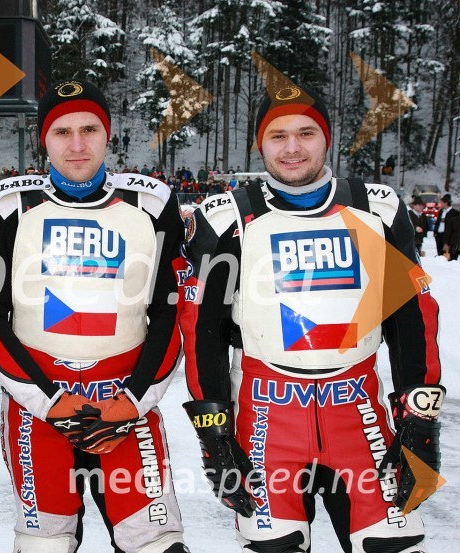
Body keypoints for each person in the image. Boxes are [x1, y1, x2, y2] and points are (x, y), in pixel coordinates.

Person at [180, 84, 443, 552]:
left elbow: (412, 319)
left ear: (327, 138)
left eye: (306, 133)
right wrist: (213, 434)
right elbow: (202, 331)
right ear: (260, 144)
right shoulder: (226, 217)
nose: (293, 148)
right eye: (278, 135)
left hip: (358, 419)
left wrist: (420, 421)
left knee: (392, 544)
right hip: (266, 421)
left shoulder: (376, 208)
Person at [0, 79, 190, 553]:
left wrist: (133, 401)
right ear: (42, 140)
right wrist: (48, 401)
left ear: (108, 135)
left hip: (125, 403)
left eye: (90, 129)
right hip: (38, 408)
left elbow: (172, 313)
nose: (77, 144)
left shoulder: (151, 203)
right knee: (43, 546)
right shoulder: (8, 205)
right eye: (62, 132)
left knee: (156, 545)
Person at [442, 194, 459, 260]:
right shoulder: (454, 220)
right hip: (455, 245)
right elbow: (448, 232)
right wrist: (446, 243)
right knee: (452, 261)